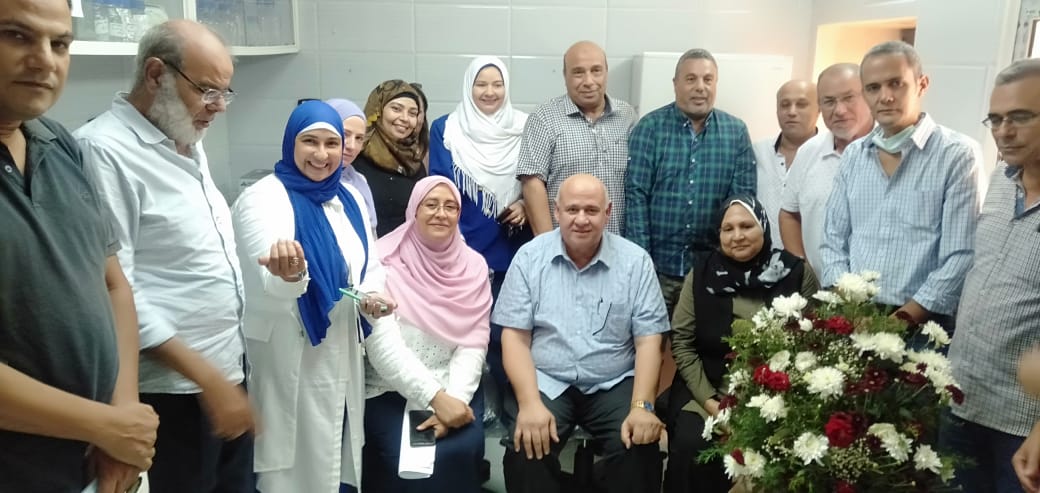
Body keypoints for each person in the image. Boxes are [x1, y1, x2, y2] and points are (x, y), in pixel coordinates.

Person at [74, 20, 256, 493]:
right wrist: (206, 377)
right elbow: (116, 287)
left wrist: (223, 377)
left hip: (224, 374)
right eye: (208, 91)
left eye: (225, 92)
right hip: (170, 393)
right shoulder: (104, 151)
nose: (218, 106)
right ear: (156, 74)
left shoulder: (184, 136)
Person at [0, 0, 158, 491]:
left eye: (60, 43)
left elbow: (112, 285)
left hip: (90, 466)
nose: (45, 60)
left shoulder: (59, 145)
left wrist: (122, 415)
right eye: (16, 35)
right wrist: (103, 427)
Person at [232, 100, 403, 492]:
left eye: (332, 143)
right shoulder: (263, 199)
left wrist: (371, 297)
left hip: (341, 348)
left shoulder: (349, 197)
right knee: (290, 470)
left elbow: (369, 266)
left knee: (334, 460)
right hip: (290, 352)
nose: (322, 155)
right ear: (291, 142)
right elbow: (269, 279)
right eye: (310, 142)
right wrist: (291, 274)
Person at [493, 174, 670, 493]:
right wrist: (529, 404)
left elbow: (648, 341)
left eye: (591, 210)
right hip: (546, 380)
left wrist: (642, 407)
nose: (581, 219)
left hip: (612, 382)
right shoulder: (530, 258)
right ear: (557, 211)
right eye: (572, 209)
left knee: (639, 446)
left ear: (608, 212)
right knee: (526, 449)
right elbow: (515, 338)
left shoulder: (635, 262)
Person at [819, 41, 981, 331]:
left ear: (922, 84)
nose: (885, 97)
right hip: (856, 315)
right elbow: (832, 241)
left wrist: (899, 321)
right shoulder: (855, 155)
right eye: (873, 88)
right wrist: (852, 308)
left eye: (896, 83)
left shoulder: (956, 154)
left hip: (924, 321)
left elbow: (960, 256)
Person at [665, 195, 819, 493]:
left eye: (746, 226)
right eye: (728, 229)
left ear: (763, 227)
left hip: (778, 396)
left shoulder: (796, 273)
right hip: (709, 390)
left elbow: (814, 341)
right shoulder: (701, 275)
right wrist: (712, 403)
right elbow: (682, 342)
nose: (737, 236)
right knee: (692, 444)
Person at [940, 59, 1040, 493]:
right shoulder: (1000, 179)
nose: (1004, 131)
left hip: (1023, 425)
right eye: (996, 119)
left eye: (1019, 117)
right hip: (963, 399)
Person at [361, 176, 493, 492]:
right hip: (391, 389)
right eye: (431, 204)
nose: (441, 213)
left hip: (454, 386)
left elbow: (474, 344)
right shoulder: (381, 261)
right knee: (416, 463)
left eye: (450, 206)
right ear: (414, 210)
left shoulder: (474, 267)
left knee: (461, 449)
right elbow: (383, 346)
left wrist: (454, 402)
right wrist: (435, 399)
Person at [428, 55, 530, 412]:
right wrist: (454, 243)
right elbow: (441, 185)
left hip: (511, 245)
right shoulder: (446, 128)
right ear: (468, 87)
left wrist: (525, 204)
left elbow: (537, 177)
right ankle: (468, 403)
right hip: (460, 246)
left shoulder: (525, 127)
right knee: (462, 333)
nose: (490, 92)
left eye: (497, 84)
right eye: (481, 84)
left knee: (506, 333)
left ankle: (509, 404)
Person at [625, 48, 756, 316]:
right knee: (651, 339)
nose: (700, 87)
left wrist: (727, 265)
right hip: (657, 271)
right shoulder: (650, 128)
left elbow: (742, 204)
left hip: (710, 272)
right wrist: (643, 265)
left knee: (705, 341)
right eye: (691, 79)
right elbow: (636, 197)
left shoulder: (736, 132)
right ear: (676, 84)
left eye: (708, 79)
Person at [516, 41, 636, 235]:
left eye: (596, 71)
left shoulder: (627, 116)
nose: (588, 81)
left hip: (616, 243)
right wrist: (547, 246)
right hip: (564, 245)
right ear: (565, 76)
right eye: (578, 72)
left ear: (606, 72)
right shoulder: (544, 117)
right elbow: (532, 183)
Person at [779, 63, 875, 272]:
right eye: (829, 101)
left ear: (869, 96)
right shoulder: (809, 151)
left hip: (881, 288)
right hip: (820, 287)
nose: (839, 110)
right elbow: (789, 214)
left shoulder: (892, 152)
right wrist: (803, 272)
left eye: (849, 98)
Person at [353, 79, 430, 237]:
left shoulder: (414, 162)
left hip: (406, 249)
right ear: (378, 110)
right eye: (396, 109)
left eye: (412, 113)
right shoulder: (355, 157)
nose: (405, 118)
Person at [753, 79, 818, 249]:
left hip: (810, 261)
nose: (791, 112)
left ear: (819, 109)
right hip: (760, 259)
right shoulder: (757, 152)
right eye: (785, 105)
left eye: (801, 104)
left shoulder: (830, 156)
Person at [326, 98, 378, 233]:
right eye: (344, 134)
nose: (352, 146)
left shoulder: (359, 181)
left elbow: (371, 235)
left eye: (359, 138)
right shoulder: (307, 185)